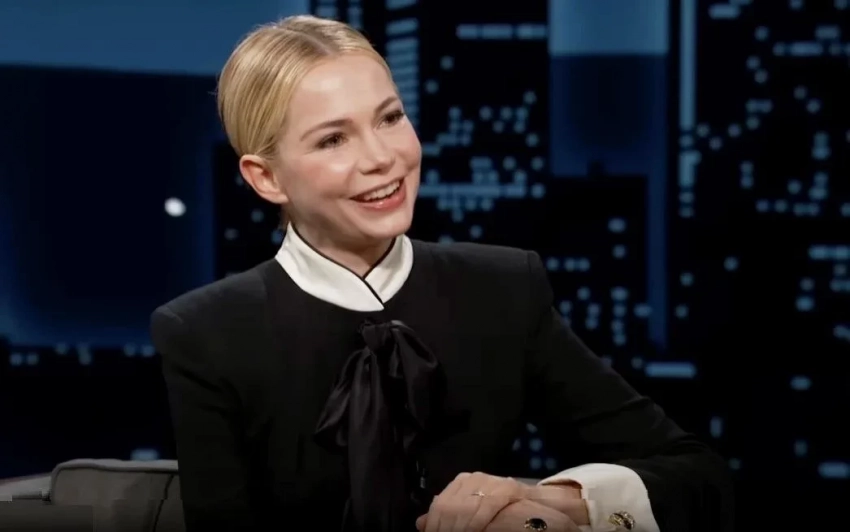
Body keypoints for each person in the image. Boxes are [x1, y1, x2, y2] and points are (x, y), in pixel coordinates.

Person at [150, 14, 734, 532]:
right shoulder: (205, 334)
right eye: (333, 139)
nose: (382, 157)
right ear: (266, 178)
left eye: (390, 118)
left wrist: (548, 501)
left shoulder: (503, 290)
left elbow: (696, 474)